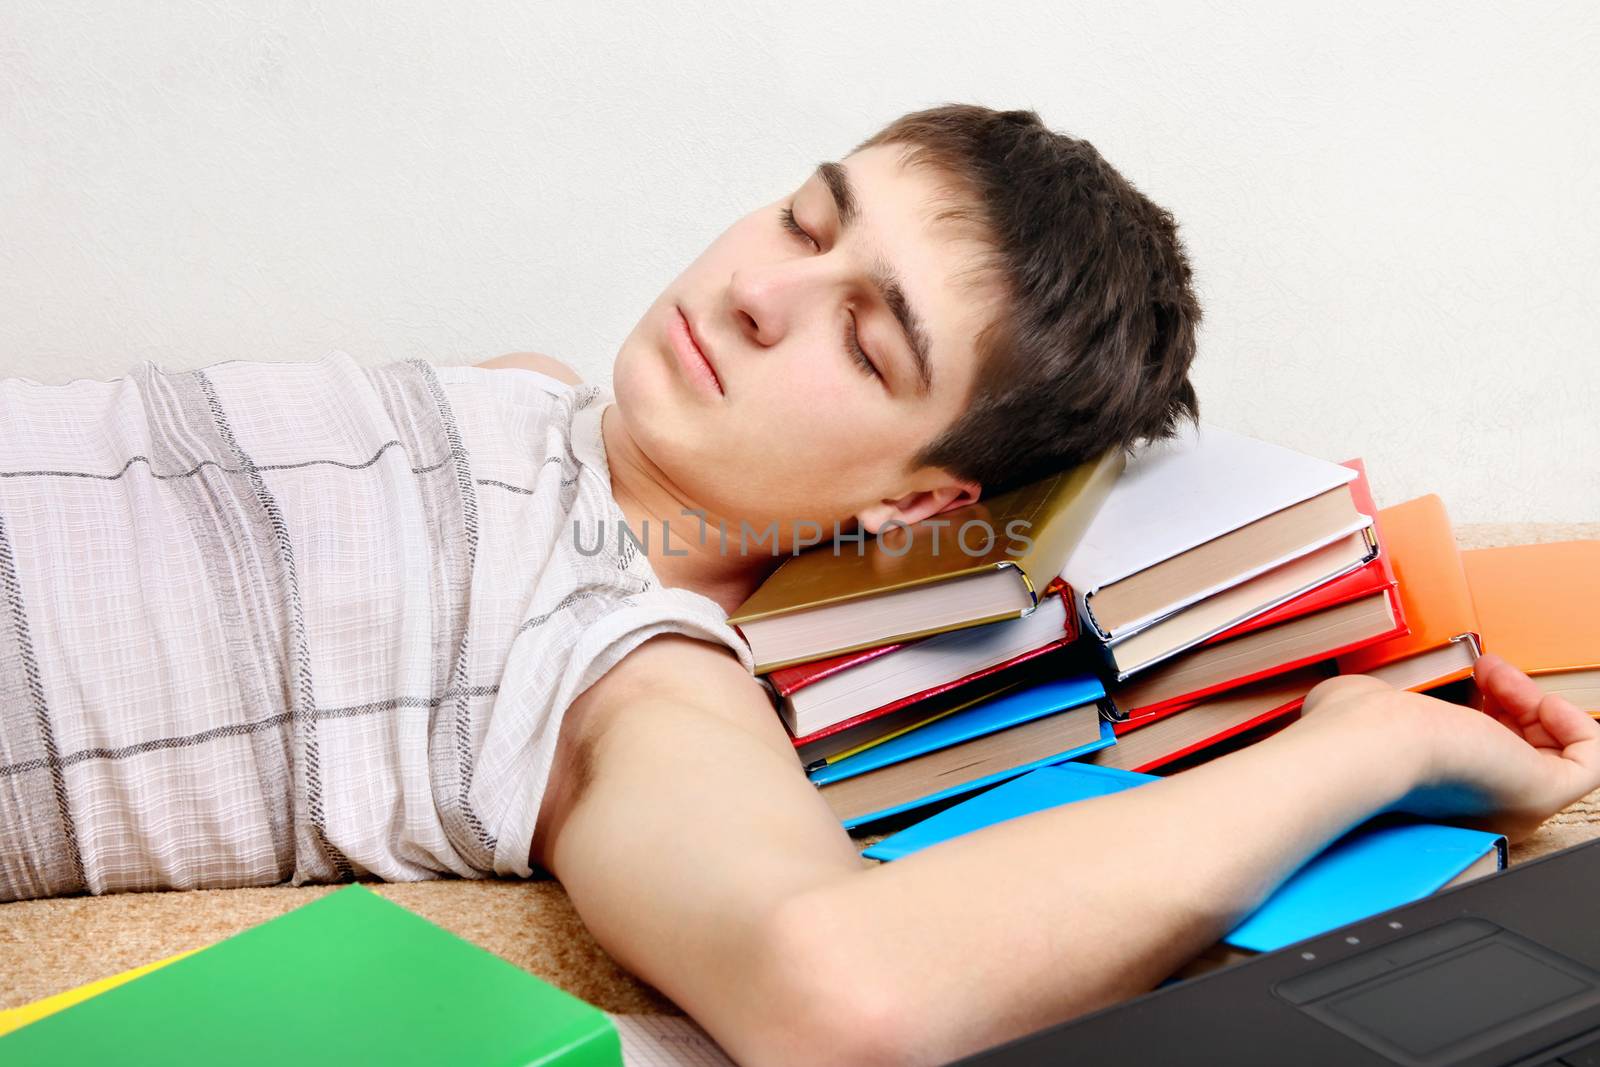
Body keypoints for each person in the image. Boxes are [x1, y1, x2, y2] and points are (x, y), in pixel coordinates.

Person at [2, 104, 1596, 1066]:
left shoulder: (626, 668)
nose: (759, 292)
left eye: (865, 332)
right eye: (805, 220)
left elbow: (847, 999)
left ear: (923, 499)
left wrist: (1365, 744)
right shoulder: (540, 393)